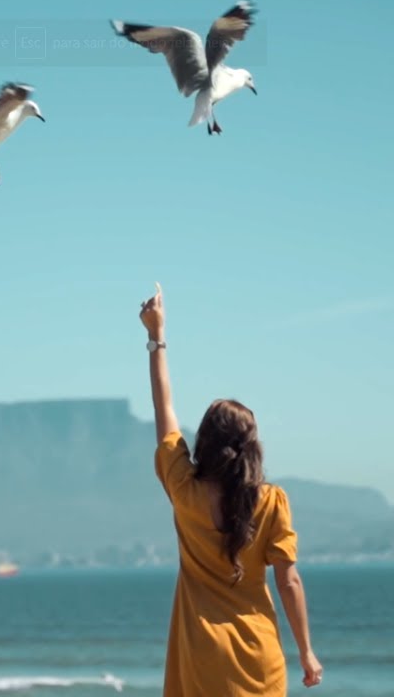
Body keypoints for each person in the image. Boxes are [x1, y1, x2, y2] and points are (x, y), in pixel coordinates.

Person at [140, 282, 323, 695]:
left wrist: (156, 336)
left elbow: (162, 406)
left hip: (201, 655)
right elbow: (288, 582)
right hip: (260, 657)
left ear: (203, 440)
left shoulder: (184, 490)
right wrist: (307, 652)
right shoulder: (272, 502)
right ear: (251, 447)